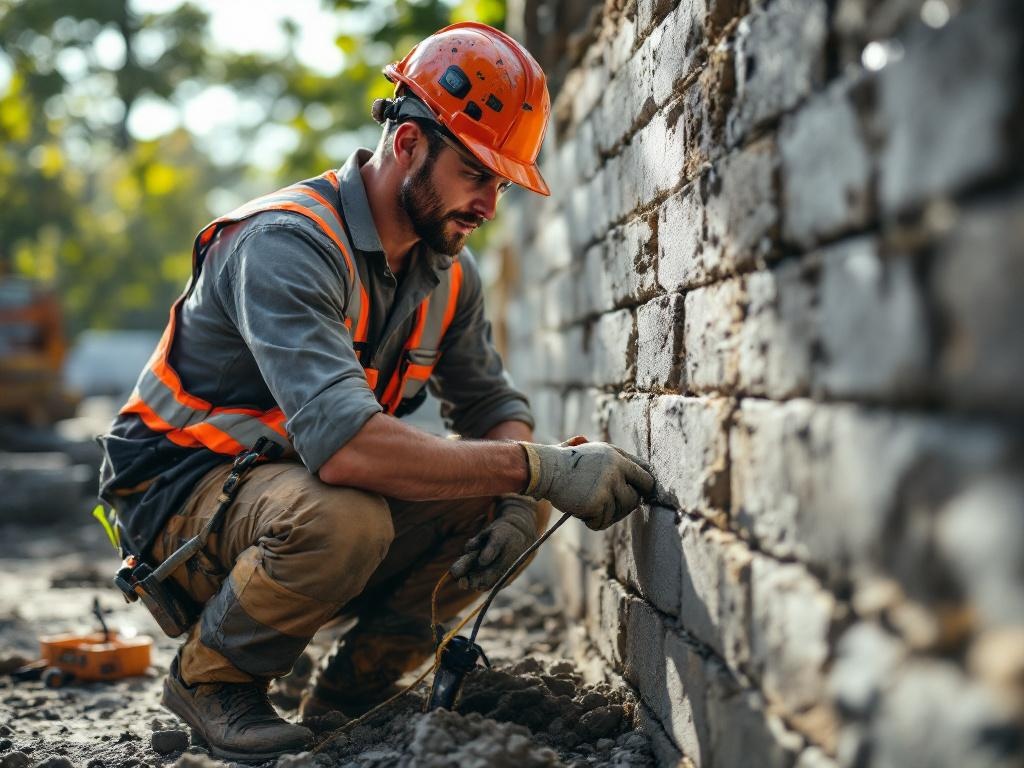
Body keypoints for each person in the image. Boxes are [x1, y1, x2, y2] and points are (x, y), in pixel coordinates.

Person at [97, 21, 654, 761]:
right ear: (409, 145)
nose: (489, 204)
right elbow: (350, 449)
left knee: (503, 486)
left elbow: (490, 407)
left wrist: (522, 494)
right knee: (347, 517)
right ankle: (212, 679)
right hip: (174, 497)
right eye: (475, 173)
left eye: (500, 181)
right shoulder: (285, 245)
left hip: (282, 487)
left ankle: (357, 690)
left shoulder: (447, 273)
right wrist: (541, 469)